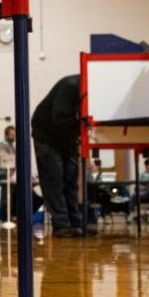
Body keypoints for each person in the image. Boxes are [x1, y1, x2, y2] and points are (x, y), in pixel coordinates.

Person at [32, 75, 91, 237]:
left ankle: (76, 222)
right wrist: (82, 128)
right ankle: (62, 224)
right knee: (54, 182)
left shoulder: (88, 88)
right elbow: (59, 118)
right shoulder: (70, 86)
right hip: (47, 137)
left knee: (71, 182)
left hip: (67, 138)